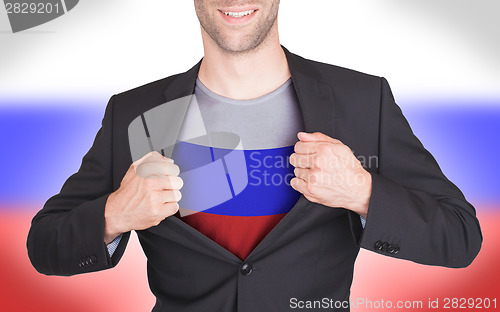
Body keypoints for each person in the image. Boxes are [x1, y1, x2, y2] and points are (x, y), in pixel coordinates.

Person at [27, 1, 482, 311]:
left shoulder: (362, 101)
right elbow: (45, 246)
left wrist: (363, 191)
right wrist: (114, 214)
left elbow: (460, 237)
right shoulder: (137, 113)